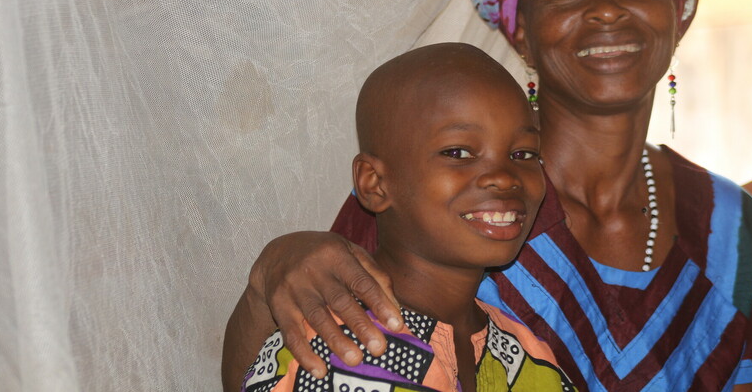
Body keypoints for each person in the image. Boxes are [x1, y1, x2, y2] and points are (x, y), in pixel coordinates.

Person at [223, 0, 752, 392]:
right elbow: (299, 362)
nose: (607, 8)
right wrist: (268, 277)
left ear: (682, 9)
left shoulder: (729, 225)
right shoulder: (440, 201)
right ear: (519, 29)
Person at [240, 42, 576, 392]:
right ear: (375, 184)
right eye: (458, 152)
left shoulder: (530, 358)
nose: (505, 176)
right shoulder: (342, 347)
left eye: (523, 153)